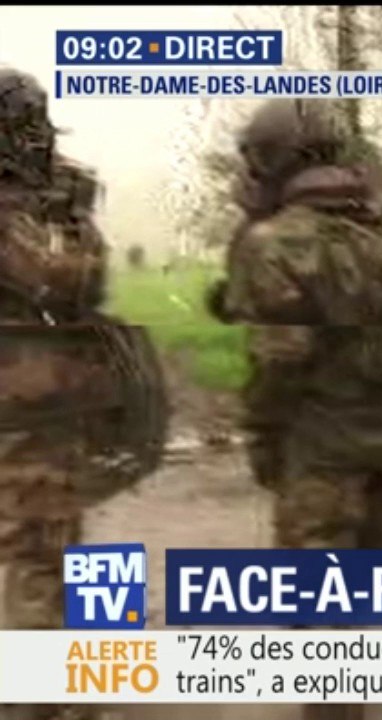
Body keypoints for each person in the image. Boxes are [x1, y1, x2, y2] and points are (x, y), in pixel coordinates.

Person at [208, 98, 382, 720]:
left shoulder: (277, 242)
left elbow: (278, 364)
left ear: (280, 158)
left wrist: (263, 441)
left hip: (319, 456)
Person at [1, 67, 168, 720]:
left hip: (43, 402)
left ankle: (62, 696)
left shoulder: (41, 208)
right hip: (56, 400)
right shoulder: (53, 206)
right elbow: (73, 279)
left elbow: (67, 282)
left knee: (48, 548)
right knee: (54, 542)